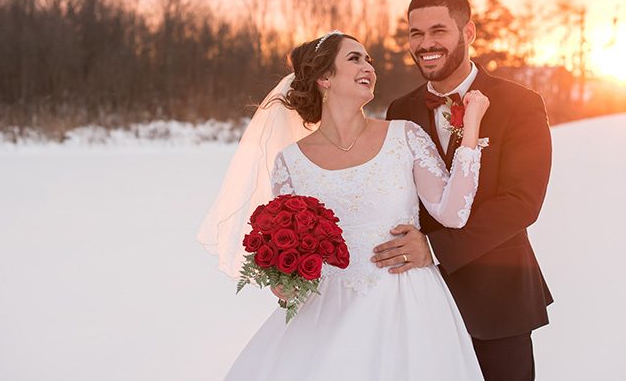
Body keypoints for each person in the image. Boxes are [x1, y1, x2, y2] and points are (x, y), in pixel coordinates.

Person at [198, 30, 490, 380]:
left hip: (406, 306)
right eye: (355, 58)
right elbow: (286, 250)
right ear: (325, 78)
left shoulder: (405, 136)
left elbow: (453, 212)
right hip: (326, 312)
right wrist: (284, 282)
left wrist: (471, 127)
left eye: (369, 59)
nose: (369, 66)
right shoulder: (291, 162)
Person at [377, 0, 553, 380]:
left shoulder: (520, 103)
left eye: (438, 31)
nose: (425, 44)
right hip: (421, 298)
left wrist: (434, 248)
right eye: (415, 33)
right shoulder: (400, 110)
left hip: (498, 300)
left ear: (468, 33)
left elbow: (521, 202)